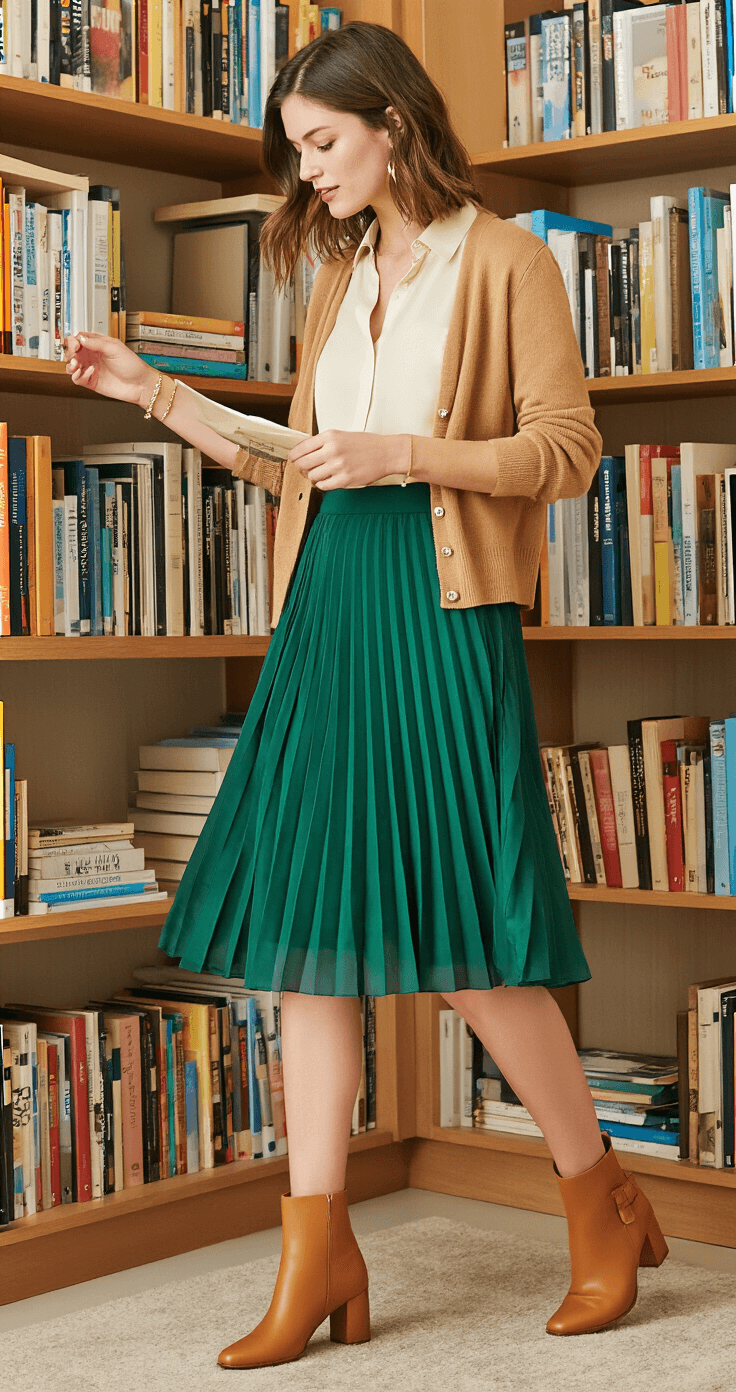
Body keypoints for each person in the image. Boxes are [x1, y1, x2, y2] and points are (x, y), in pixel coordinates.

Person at [64, 18, 669, 1369]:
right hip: (329, 605)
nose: (312, 172)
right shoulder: (334, 272)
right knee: (307, 940)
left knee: (470, 938)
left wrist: (408, 451)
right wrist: (155, 393)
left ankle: (599, 1204)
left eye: (324, 144)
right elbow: (299, 462)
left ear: (393, 125)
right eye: (298, 150)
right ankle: (318, 1242)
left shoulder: (506, 259)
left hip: (441, 607)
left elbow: (567, 452)